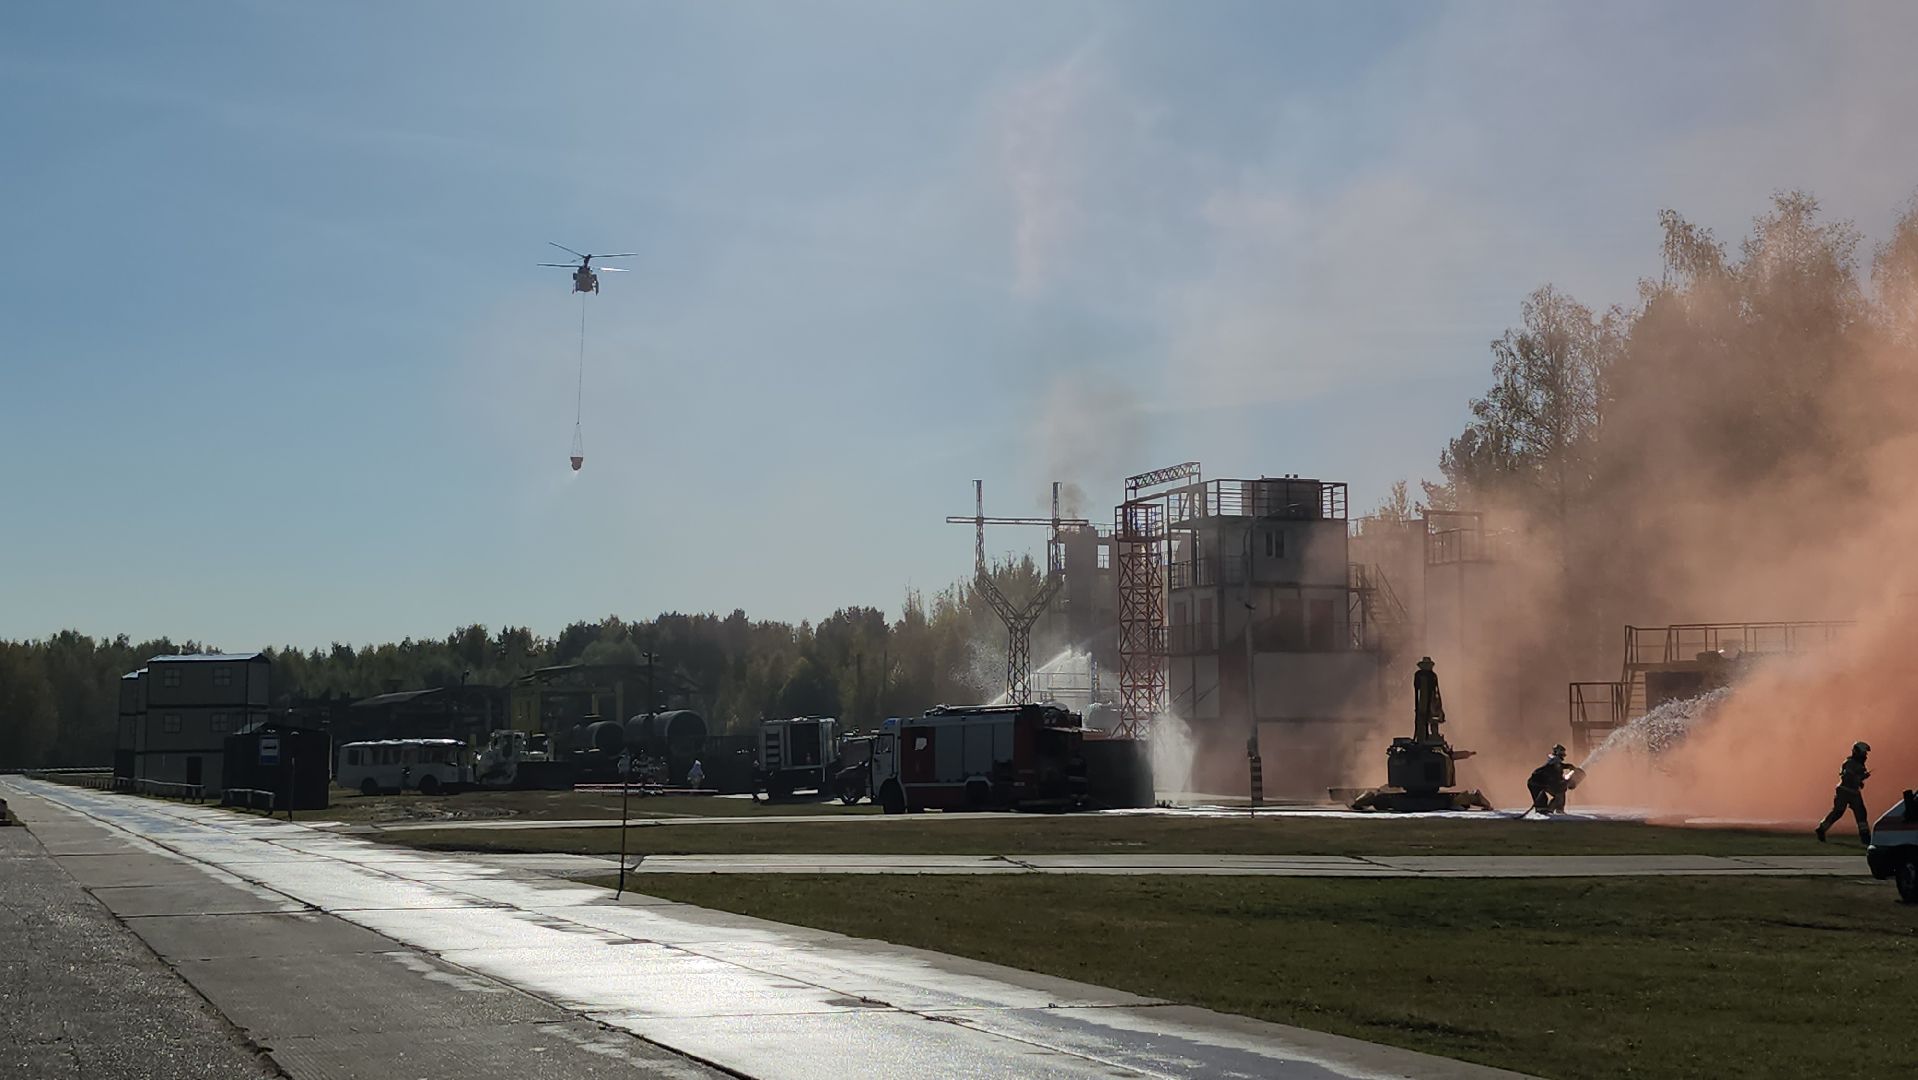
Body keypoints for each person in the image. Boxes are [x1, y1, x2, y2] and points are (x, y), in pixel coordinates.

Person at [1815, 741, 1872, 844]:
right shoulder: (1849, 763)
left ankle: (1865, 836)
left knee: (1861, 813)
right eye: (1864, 753)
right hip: (1844, 791)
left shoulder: (1859, 764)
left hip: (1854, 792)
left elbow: (1855, 778)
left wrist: (1860, 781)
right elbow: (1847, 777)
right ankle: (1822, 828)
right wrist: (1859, 778)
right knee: (1838, 812)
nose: (1865, 756)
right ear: (1857, 752)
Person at [1526, 744, 1586, 814]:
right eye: (1562, 752)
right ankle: (1545, 813)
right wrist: (1564, 780)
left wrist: (1568, 766)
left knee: (1560, 793)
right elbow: (1555, 770)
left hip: (1542, 783)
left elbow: (1558, 767)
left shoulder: (1554, 764)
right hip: (1535, 784)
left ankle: (1556, 810)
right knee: (1543, 801)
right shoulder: (1553, 764)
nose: (1564, 754)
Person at [1413, 657, 1445, 742]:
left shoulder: (1431, 675)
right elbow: (1416, 689)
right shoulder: (1420, 675)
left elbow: (1436, 690)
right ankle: (1422, 738)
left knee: (1430, 718)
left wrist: (1438, 703)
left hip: (1430, 700)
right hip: (1423, 700)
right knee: (1423, 719)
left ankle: (1428, 737)